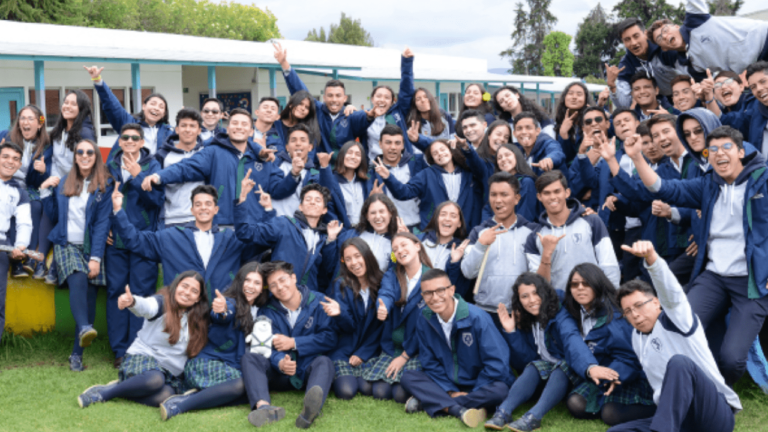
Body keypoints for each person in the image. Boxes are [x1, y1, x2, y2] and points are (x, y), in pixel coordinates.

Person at [623, 125, 768, 387]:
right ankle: (686, 388)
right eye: (712, 149)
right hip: (712, 276)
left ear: (741, 151)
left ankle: (719, 397)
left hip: (751, 281)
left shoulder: (763, 180)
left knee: (731, 359)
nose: (719, 154)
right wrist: (636, 157)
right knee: (678, 328)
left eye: (726, 148)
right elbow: (663, 188)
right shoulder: (707, 185)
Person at [608, 241, 741, 432]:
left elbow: (672, 293)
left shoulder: (677, 319)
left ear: (656, 303)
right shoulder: (636, 337)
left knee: (680, 363)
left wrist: (652, 258)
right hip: (679, 419)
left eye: (639, 305)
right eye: (627, 311)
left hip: (713, 415)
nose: (634, 314)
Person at [141, 108, 297, 227]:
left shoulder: (264, 157)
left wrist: (294, 174)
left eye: (244, 124)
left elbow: (278, 190)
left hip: (254, 225)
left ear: (251, 131)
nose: (239, 127)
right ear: (227, 129)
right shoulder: (213, 152)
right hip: (223, 225)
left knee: (252, 270)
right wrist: (158, 176)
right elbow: (186, 167)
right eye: (234, 123)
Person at [76, 272, 209, 409]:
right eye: (184, 286)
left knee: (166, 395)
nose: (187, 292)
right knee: (155, 379)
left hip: (169, 372)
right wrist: (133, 301)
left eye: (194, 291)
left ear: (198, 298)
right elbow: (147, 306)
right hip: (143, 359)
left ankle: (123, 388)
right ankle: (103, 394)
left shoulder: (198, 320)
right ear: (176, 286)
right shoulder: (162, 303)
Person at [400, 269, 511, 428]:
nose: (435, 297)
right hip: (447, 383)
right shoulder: (424, 318)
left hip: (480, 384)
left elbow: (497, 363)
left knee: (501, 391)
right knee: (408, 377)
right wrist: (450, 390)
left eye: (440, 290)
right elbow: (429, 362)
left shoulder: (477, 318)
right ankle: (458, 409)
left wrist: (473, 391)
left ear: (452, 290)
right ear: (423, 296)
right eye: (428, 293)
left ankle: (431, 402)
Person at [159, 263, 268, 420]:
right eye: (247, 280)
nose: (251, 286)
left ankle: (201, 395)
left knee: (253, 389)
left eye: (257, 283)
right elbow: (223, 314)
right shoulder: (232, 302)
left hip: (230, 369)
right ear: (240, 281)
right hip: (205, 365)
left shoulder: (260, 310)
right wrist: (222, 310)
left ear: (262, 287)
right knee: (245, 386)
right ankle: (179, 405)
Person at [40, 139, 113, 371]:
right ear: (75, 156)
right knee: (78, 278)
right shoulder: (64, 182)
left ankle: (76, 355)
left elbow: (102, 224)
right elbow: (53, 214)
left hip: (90, 247)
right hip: (66, 244)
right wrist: (44, 191)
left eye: (89, 152)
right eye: (80, 152)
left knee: (89, 299)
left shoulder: (104, 184)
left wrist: (95, 258)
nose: (84, 155)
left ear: (96, 156)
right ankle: (83, 328)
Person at [111, 185, 261, 299]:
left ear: (216, 209)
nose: (203, 208)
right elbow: (135, 240)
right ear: (192, 210)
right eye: (198, 204)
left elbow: (259, 242)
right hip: (181, 310)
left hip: (219, 311)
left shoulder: (231, 238)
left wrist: (266, 210)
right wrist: (118, 211)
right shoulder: (170, 236)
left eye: (208, 204)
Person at [241, 261, 337, 429]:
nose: (279, 287)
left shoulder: (319, 301)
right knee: (251, 357)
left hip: (307, 368)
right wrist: (279, 362)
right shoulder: (267, 310)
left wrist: (294, 343)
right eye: (273, 285)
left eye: (283, 280)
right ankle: (264, 408)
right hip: (280, 374)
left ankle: (310, 410)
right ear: (269, 289)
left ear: (293, 278)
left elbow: (329, 338)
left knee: (325, 363)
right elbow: (265, 345)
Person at [559, 264, 656, 426]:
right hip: (601, 373)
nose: (580, 288)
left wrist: (613, 375)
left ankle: (660, 409)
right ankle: (608, 400)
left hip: (627, 375)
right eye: (575, 284)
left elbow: (629, 357)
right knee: (576, 404)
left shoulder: (615, 315)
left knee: (610, 415)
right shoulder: (574, 311)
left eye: (586, 283)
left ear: (598, 284)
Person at [486, 273, 582, 431]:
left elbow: (574, 349)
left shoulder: (560, 314)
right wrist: (511, 332)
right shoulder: (528, 319)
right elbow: (524, 362)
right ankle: (503, 412)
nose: (531, 300)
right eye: (525, 296)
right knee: (533, 366)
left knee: (562, 366)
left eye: (536, 293)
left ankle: (534, 417)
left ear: (545, 293)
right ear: (519, 300)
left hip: (573, 373)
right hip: (549, 373)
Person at [104, 124, 163, 368]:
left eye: (134, 138)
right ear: (120, 140)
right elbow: (99, 201)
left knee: (141, 293)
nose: (129, 141)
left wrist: (139, 175)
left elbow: (157, 200)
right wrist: (106, 225)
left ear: (141, 141)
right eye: (125, 137)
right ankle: (119, 350)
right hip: (115, 240)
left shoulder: (153, 165)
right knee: (116, 293)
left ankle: (138, 347)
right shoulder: (109, 166)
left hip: (143, 239)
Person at [363, 232, 432, 404]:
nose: (399, 250)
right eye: (395, 249)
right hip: (391, 345)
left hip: (416, 348)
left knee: (400, 394)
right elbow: (386, 292)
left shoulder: (432, 278)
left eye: (403, 245)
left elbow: (427, 326)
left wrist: (405, 356)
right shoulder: (392, 275)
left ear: (417, 246)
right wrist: (383, 305)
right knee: (380, 391)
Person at [235, 182, 342, 293]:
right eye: (308, 199)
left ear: (324, 210)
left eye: (318, 200)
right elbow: (245, 233)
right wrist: (242, 199)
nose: (313, 202)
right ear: (300, 207)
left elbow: (328, 270)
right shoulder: (284, 224)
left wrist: (331, 239)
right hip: (278, 295)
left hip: (307, 301)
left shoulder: (324, 239)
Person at [274, 41, 373, 159]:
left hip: (344, 169)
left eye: (338, 95)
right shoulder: (317, 109)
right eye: (330, 95)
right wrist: (284, 63)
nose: (334, 99)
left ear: (345, 98)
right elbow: (300, 90)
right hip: (318, 168)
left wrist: (372, 113)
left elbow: (364, 116)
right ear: (324, 97)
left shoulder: (350, 114)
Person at [525, 171, 620, 291]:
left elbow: (609, 264)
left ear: (567, 193)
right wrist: (546, 254)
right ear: (539, 197)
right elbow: (539, 284)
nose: (553, 197)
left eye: (557, 191)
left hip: (592, 301)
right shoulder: (534, 237)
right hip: (558, 305)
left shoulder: (592, 221)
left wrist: (611, 299)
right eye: (547, 193)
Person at [462, 173, 536, 325]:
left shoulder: (532, 231)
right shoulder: (479, 232)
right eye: (493, 195)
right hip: (485, 310)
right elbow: (468, 272)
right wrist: (481, 244)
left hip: (521, 311)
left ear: (517, 199)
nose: (498, 200)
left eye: (504, 194)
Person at [44, 89, 97, 285]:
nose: (67, 106)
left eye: (73, 104)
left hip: (73, 186)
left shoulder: (84, 132)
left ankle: (52, 266)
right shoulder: (60, 130)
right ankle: (45, 264)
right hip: (56, 184)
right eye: (65, 102)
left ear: (82, 108)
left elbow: (86, 163)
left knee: (59, 215)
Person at [322, 238, 385, 400]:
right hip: (343, 349)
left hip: (369, 349)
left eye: (357, 256)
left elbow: (381, 327)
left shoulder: (382, 283)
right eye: (348, 259)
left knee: (367, 388)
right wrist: (339, 313)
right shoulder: (341, 285)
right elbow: (347, 328)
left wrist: (363, 354)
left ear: (367, 255)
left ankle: (360, 372)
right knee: (346, 391)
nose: (354, 263)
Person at [375, 138, 484, 230]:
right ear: (432, 159)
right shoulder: (426, 175)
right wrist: (388, 177)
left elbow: (480, 168)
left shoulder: (469, 174)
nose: (440, 154)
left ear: (450, 151)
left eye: (442, 149)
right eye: (435, 153)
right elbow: (404, 192)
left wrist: (466, 147)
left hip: (464, 231)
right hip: (434, 232)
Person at [647, 0, 768, 74]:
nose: (665, 36)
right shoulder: (693, 66)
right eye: (659, 38)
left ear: (677, 27)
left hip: (763, 37)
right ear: (664, 48)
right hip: (757, 67)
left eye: (666, 30)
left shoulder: (695, 20)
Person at [0, 104, 51, 279]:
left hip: (30, 189)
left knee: (35, 207)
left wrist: (43, 171)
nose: (26, 122)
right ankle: (16, 263)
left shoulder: (45, 145)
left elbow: (45, 180)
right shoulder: (5, 137)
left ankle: (28, 257)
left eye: (30, 119)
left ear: (39, 124)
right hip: (8, 184)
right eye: (22, 118)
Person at [85, 66, 173, 159]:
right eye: (153, 104)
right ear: (144, 106)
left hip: (154, 172)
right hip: (123, 171)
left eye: (161, 107)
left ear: (164, 113)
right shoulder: (129, 123)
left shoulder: (168, 133)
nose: (156, 108)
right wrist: (98, 80)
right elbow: (113, 105)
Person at [607, 18, 688, 108]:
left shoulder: (663, 48)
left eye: (636, 36)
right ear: (623, 42)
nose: (633, 43)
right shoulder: (625, 65)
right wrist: (611, 85)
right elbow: (624, 105)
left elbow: (689, 73)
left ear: (645, 34)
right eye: (627, 39)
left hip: (684, 95)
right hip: (658, 105)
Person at [0, 142, 33, 343]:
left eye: (15, 158)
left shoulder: (19, 192)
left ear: (20, 164)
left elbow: (25, 224)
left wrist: (20, 245)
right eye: (5, 156)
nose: (10, 161)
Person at [367, 125, 429, 231]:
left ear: (403, 145)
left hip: (418, 227)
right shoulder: (371, 170)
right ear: (380, 144)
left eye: (397, 143)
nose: (393, 147)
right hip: (387, 229)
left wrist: (419, 140)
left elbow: (438, 151)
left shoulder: (418, 162)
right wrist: (370, 199)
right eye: (388, 142)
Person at [152, 108, 205, 228]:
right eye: (183, 125)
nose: (187, 129)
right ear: (177, 129)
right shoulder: (162, 155)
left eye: (192, 126)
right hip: (171, 220)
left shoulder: (206, 153)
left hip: (202, 219)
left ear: (199, 130)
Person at [364, 48, 416, 161]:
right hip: (373, 167)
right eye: (378, 96)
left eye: (387, 97)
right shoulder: (364, 116)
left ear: (393, 101)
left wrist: (407, 63)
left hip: (399, 165)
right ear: (372, 99)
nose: (382, 100)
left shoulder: (398, 113)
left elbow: (406, 91)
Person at [334, 193, 404, 275]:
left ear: (390, 213)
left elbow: (395, 273)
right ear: (367, 216)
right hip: (347, 285)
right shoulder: (351, 234)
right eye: (373, 213)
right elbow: (332, 262)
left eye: (382, 211)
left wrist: (402, 241)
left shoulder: (395, 242)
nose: (377, 216)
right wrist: (331, 240)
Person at [417, 201, 471, 298]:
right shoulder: (420, 240)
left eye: (453, 216)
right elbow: (394, 261)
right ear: (436, 219)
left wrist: (454, 263)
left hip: (438, 303)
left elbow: (458, 291)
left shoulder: (461, 250)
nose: (447, 219)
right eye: (443, 214)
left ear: (459, 223)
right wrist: (399, 243)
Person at [717, 61, 768, 154]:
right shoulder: (755, 114)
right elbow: (730, 120)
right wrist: (708, 99)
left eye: (763, 81)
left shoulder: (752, 105)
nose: (759, 89)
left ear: (741, 87)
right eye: (753, 87)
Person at [271, 124, 321, 218]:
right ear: (287, 147)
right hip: (274, 224)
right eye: (293, 140)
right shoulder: (276, 164)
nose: (298, 143)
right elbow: (276, 192)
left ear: (310, 147)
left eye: (303, 140)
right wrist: (294, 174)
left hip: (299, 227)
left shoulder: (315, 174)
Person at [318, 141, 372, 227]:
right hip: (342, 234)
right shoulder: (331, 180)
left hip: (365, 232)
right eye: (349, 153)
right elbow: (328, 211)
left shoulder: (366, 182)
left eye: (358, 154)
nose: (353, 157)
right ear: (342, 155)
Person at [513, 112, 566, 177]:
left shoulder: (547, 142)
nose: (524, 132)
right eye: (519, 129)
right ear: (514, 134)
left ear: (537, 131)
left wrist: (549, 159)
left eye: (528, 128)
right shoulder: (516, 151)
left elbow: (557, 152)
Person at [555, 82, 594, 164]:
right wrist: (563, 134)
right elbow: (563, 158)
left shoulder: (592, 123)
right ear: (564, 98)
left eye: (579, 94)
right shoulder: (556, 124)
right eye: (570, 93)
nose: (574, 97)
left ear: (585, 99)